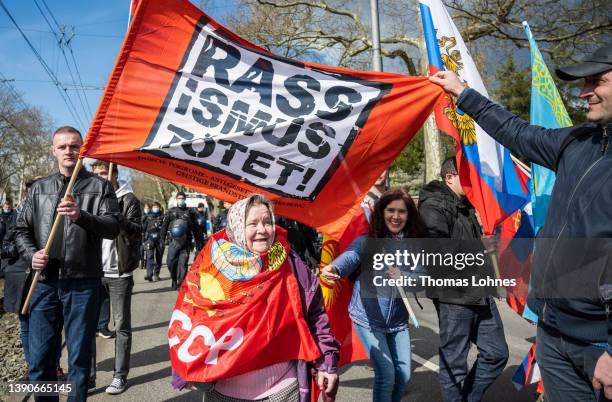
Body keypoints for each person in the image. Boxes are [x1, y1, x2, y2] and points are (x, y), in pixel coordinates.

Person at [430, 43, 612, 401]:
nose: (583, 92)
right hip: (553, 333)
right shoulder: (576, 141)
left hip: (600, 349)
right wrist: (462, 92)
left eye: (597, 81)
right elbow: (516, 132)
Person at [171, 194, 339, 402]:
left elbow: (316, 317)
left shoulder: (290, 262)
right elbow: (191, 313)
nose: (262, 230)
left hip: (282, 391)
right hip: (224, 393)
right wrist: (186, 368)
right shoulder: (211, 265)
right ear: (237, 227)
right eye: (253, 223)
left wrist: (327, 362)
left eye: (267, 222)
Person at [14, 126, 120, 401]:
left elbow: (112, 227)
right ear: (53, 150)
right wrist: (31, 255)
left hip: (83, 283)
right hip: (44, 283)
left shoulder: (100, 186)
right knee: (40, 361)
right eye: (62, 146)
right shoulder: (39, 189)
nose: (68, 151)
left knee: (79, 361)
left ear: (81, 150)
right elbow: (20, 230)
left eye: (74, 146)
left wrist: (80, 215)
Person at [417, 157, 508, 402]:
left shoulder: (465, 205)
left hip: (479, 293)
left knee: (496, 353)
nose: (473, 182)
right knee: (455, 364)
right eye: (466, 176)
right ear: (449, 177)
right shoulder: (432, 205)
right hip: (454, 296)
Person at [321, 189, 426, 402]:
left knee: (403, 377)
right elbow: (350, 257)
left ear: (409, 215)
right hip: (367, 319)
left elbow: (423, 277)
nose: (396, 216)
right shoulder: (367, 241)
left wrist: (403, 276)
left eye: (402, 212)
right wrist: (335, 268)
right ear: (381, 213)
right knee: (386, 375)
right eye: (390, 210)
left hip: (398, 322)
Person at [91, 160, 142, 394]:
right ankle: (87, 376)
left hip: (119, 272)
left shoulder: (128, 199)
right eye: (97, 174)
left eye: (105, 173)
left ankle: (119, 376)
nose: (101, 178)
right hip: (92, 272)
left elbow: (136, 231)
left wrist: (116, 215)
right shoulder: (91, 197)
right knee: (87, 325)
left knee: (121, 325)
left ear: (114, 175)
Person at [160, 192, 199, 290]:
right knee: (170, 262)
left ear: (185, 199)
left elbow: (196, 228)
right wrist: (162, 239)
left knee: (183, 264)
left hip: (186, 242)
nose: (180, 199)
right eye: (179, 198)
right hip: (173, 242)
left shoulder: (190, 212)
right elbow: (164, 226)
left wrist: (199, 242)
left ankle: (181, 282)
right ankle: (174, 279)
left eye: (182, 198)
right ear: (176, 199)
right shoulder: (171, 212)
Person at [142, 201, 165, 281]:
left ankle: (156, 274)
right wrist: (143, 240)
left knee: (159, 258)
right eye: (154, 207)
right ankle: (149, 274)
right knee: (150, 256)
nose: (155, 208)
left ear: (159, 208)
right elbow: (143, 229)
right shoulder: (147, 217)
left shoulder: (163, 217)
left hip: (160, 240)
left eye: (157, 207)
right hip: (150, 239)